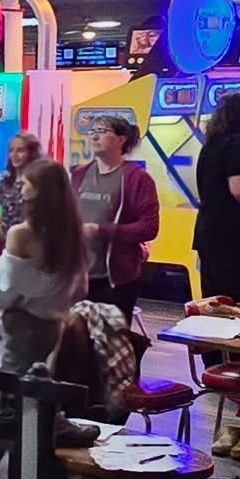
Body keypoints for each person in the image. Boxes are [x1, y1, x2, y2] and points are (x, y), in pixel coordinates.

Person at [0, 159, 88, 467]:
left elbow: (3, 291)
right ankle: (4, 448)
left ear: (40, 191)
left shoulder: (21, 235)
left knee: (13, 382)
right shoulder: (72, 234)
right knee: (29, 381)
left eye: (27, 183)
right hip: (52, 323)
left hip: (22, 322)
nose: (22, 188)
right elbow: (80, 288)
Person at [71, 116, 159, 325]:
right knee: (77, 338)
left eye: (102, 131)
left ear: (121, 139)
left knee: (111, 339)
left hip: (116, 280)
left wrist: (102, 231)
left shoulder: (137, 179)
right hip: (78, 275)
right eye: (92, 131)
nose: (94, 136)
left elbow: (149, 227)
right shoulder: (79, 174)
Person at [194, 88, 240, 301]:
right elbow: (239, 188)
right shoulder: (238, 145)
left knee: (216, 300)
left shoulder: (210, 146)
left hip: (209, 231)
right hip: (232, 236)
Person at [0, 131, 42, 262]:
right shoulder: (5, 183)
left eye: (20, 150)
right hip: (5, 244)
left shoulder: (38, 182)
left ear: (31, 153)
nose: (14, 155)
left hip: (29, 245)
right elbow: (0, 219)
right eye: (11, 150)